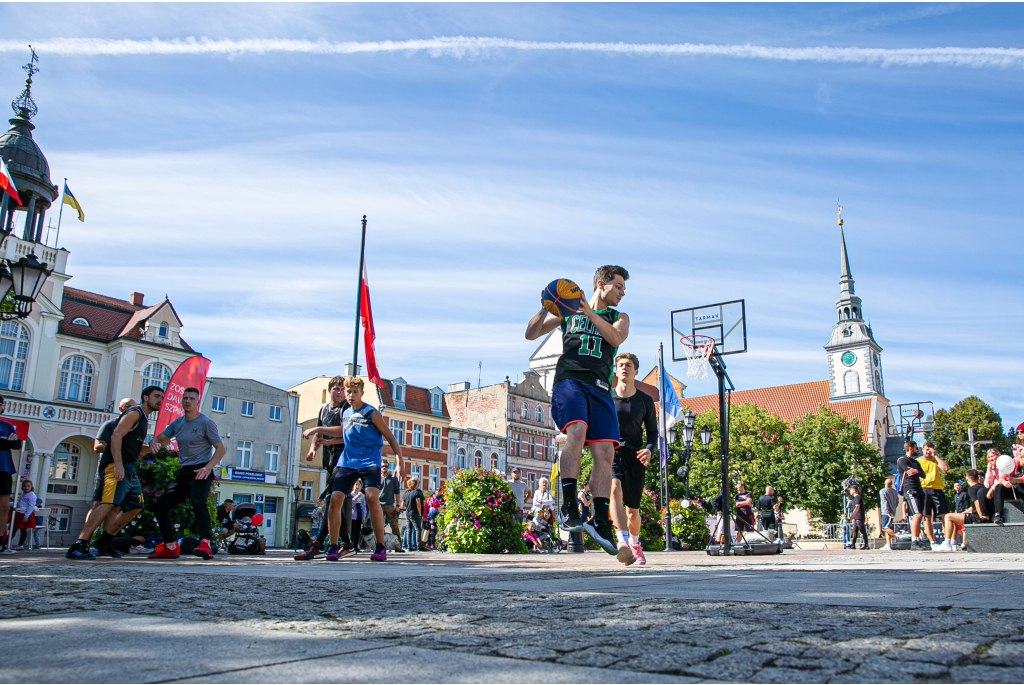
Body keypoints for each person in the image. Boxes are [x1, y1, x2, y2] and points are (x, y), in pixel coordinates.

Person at [525, 265, 630, 556]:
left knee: (605, 453)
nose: (623, 293)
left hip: (600, 387)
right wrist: (548, 305)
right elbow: (531, 334)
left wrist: (589, 311)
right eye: (618, 286)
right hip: (570, 380)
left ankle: (599, 520)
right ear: (601, 283)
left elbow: (616, 338)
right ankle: (569, 506)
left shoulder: (618, 317)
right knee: (577, 429)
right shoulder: (568, 313)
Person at [302, 376, 405, 561]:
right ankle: (334, 547)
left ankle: (380, 547)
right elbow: (345, 433)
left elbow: (391, 438)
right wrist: (322, 436)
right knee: (335, 499)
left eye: (354, 392)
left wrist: (400, 463)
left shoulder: (371, 413)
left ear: (361, 393)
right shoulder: (346, 413)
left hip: (369, 461)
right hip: (347, 461)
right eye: (348, 392)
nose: (350, 395)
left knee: (372, 497)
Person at [66, 386, 163, 560]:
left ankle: (105, 542)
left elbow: (136, 450)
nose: (160, 400)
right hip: (116, 465)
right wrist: (117, 463)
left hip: (129, 468)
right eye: (156, 396)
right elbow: (116, 435)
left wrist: (152, 448)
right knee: (107, 503)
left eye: (161, 397)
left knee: (136, 505)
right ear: (145, 397)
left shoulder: (144, 420)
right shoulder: (135, 413)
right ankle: (79, 544)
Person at [147, 386, 227, 560]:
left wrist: (208, 467)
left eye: (191, 398)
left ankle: (206, 544)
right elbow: (160, 439)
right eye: (185, 398)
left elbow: (220, 449)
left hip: (201, 470)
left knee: (198, 503)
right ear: (182, 401)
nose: (188, 401)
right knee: (160, 507)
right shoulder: (178, 423)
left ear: (198, 402)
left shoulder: (206, 423)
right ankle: (170, 546)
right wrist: (153, 441)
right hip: (184, 472)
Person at [610, 351, 657, 566]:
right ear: (615, 369)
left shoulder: (645, 400)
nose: (624, 368)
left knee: (632, 511)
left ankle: (636, 544)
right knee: (613, 489)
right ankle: (622, 542)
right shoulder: (607, 397)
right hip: (612, 451)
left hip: (636, 455)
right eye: (620, 364)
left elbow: (653, 433)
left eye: (628, 365)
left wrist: (649, 449)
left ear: (635, 371)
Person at [295, 376, 349, 560]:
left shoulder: (346, 409)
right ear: (330, 390)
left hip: (345, 460)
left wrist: (317, 432)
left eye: (342, 389)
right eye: (336, 389)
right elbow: (318, 434)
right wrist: (312, 450)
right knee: (335, 503)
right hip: (329, 461)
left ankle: (318, 543)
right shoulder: (324, 410)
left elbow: (344, 431)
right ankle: (346, 542)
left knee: (330, 499)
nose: (340, 392)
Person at [82, 397, 136, 546]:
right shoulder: (111, 425)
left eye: (134, 407)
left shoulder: (133, 427)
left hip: (124, 469)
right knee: (99, 504)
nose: (132, 410)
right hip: (108, 469)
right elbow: (97, 446)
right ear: (120, 409)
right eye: (128, 407)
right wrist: (118, 450)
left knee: (115, 506)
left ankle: (106, 541)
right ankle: (85, 539)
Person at [936, 469, 991, 551]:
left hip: (977, 516)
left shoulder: (972, 489)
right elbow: (976, 506)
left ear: (967, 478)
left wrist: (981, 518)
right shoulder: (983, 487)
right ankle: (953, 543)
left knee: (948, 516)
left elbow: (977, 504)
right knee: (953, 518)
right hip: (985, 514)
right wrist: (964, 513)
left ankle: (947, 543)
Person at [917, 440, 950, 548]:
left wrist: (935, 455)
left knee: (945, 515)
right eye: (926, 450)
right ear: (922, 449)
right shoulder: (918, 461)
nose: (928, 452)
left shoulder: (935, 460)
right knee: (927, 517)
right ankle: (932, 542)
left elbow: (945, 468)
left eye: (930, 450)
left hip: (936, 489)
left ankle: (947, 540)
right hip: (924, 489)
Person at [0, 395, 23, 554]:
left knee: (3, 507)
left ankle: (0, 541)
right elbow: (10, 443)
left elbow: (17, 444)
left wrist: (6, 442)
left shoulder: (7, 425)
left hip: (4, 468)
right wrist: (6, 442)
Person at [898, 440, 928, 551]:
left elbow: (923, 474)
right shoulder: (902, 460)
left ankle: (918, 539)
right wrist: (914, 471)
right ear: (910, 448)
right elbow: (909, 472)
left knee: (919, 515)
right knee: (917, 514)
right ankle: (914, 541)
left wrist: (915, 471)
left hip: (919, 489)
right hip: (910, 489)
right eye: (916, 448)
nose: (917, 450)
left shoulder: (916, 462)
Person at [989, 446, 1024, 524]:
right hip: (1012, 490)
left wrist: (1015, 480)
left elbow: (1023, 479)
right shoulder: (1011, 462)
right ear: (1021, 457)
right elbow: (1001, 478)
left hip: (1021, 489)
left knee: (1021, 486)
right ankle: (998, 514)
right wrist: (1005, 482)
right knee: (999, 487)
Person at [378, 462, 405, 551]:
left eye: (386, 466)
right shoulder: (377, 478)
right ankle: (380, 546)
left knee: (394, 526)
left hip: (390, 505)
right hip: (379, 505)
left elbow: (397, 492)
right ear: (380, 467)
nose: (384, 468)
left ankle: (398, 546)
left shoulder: (393, 478)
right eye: (383, 466)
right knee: (379, 527)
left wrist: (397, 505)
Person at [11, 479, 36, 550]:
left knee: (23, 529)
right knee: (14, 528)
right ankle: (6, 542)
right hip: (19, 513)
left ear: (31, 487)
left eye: (28, 486)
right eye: (25, 486)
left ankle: (20, 544)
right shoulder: (22, 495)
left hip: (25, 514)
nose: (26, 487)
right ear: (22, 487)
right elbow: (19, 503)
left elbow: (31, 506)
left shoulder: (31, 495)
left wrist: (26, 516)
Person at [402, 477, 425, 552]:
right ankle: (419, 546)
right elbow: (418, 503)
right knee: (418, 529)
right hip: (415, 513)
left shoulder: (406, 492)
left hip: (408, 513)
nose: (419, 484)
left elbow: (403, 504)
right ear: (415, 484)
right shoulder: (417, 492)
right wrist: (420, 513)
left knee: (408, 529)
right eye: (418, 483)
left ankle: (409, 546)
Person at [878, 477, 899, 551]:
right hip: (893, 511)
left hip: (886, 512)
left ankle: (897, 536)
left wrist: (888, 511)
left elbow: (884, 502)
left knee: (884, 528)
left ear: (885, 483)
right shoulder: (894, 492)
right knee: (888, 527)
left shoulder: (883, 491)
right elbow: (897, 501)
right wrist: (893, 509)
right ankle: (888, 544)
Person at [349, 480, 368, 552]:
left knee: (357, 531)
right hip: (352, 515)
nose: (357, 487)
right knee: (352, 531)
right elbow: (351, 504)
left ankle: (355, 546)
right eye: (356, 485)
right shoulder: (351, 494)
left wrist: (364, 516)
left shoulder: (362, 496)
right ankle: (350, 546)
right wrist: (356, 496)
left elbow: (364, 507)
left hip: (359, 515)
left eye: (359, 485)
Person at [848, 485, 868, 550]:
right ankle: (852, 544)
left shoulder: (857, 497)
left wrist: (852, 515)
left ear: (854, 490)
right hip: (857, 517)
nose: (850, 492)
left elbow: (857, 506)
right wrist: (854, 517)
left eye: (851, 490)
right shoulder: (855, 498)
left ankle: (866, 545)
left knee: (862, 530)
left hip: (859, 516)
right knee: (855, 531)